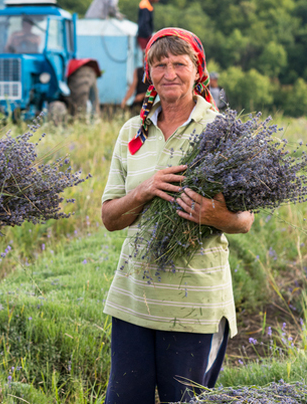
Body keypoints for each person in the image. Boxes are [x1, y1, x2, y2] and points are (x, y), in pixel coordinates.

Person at [100, 28, 254, 403]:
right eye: (159, 64)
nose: (169, 73)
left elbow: (244, 221)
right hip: (133, 299)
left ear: (197, 70)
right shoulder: (132, 131)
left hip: (194, 305)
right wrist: (144, 190)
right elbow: (109, 217)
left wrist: (214, 214)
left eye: (179, 64)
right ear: (148, 72)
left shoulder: (219, 130)